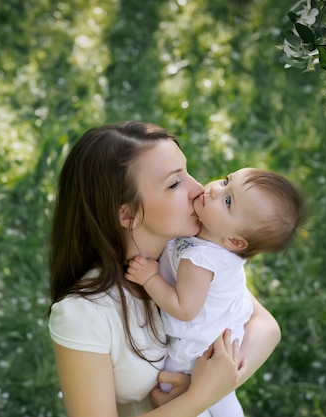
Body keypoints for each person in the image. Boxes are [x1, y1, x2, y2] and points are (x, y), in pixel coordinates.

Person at [48, 121, 282, 417]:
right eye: (174, 183)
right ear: (127, 213)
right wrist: (201, 396)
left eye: (187, 171)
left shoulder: (189, 255)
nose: (199, 189)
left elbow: (265, 327)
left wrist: (218, 384)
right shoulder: (84, 314)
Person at [125, 167, 307, 417]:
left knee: (179, 397)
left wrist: (150, 278)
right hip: (221, 345)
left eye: (228, 201)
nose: (213, 190)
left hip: (195, 353)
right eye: (225, 182)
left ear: (234, 241)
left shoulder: (200, 259)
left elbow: (184, 309)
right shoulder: (213, 243)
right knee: (225, 405)